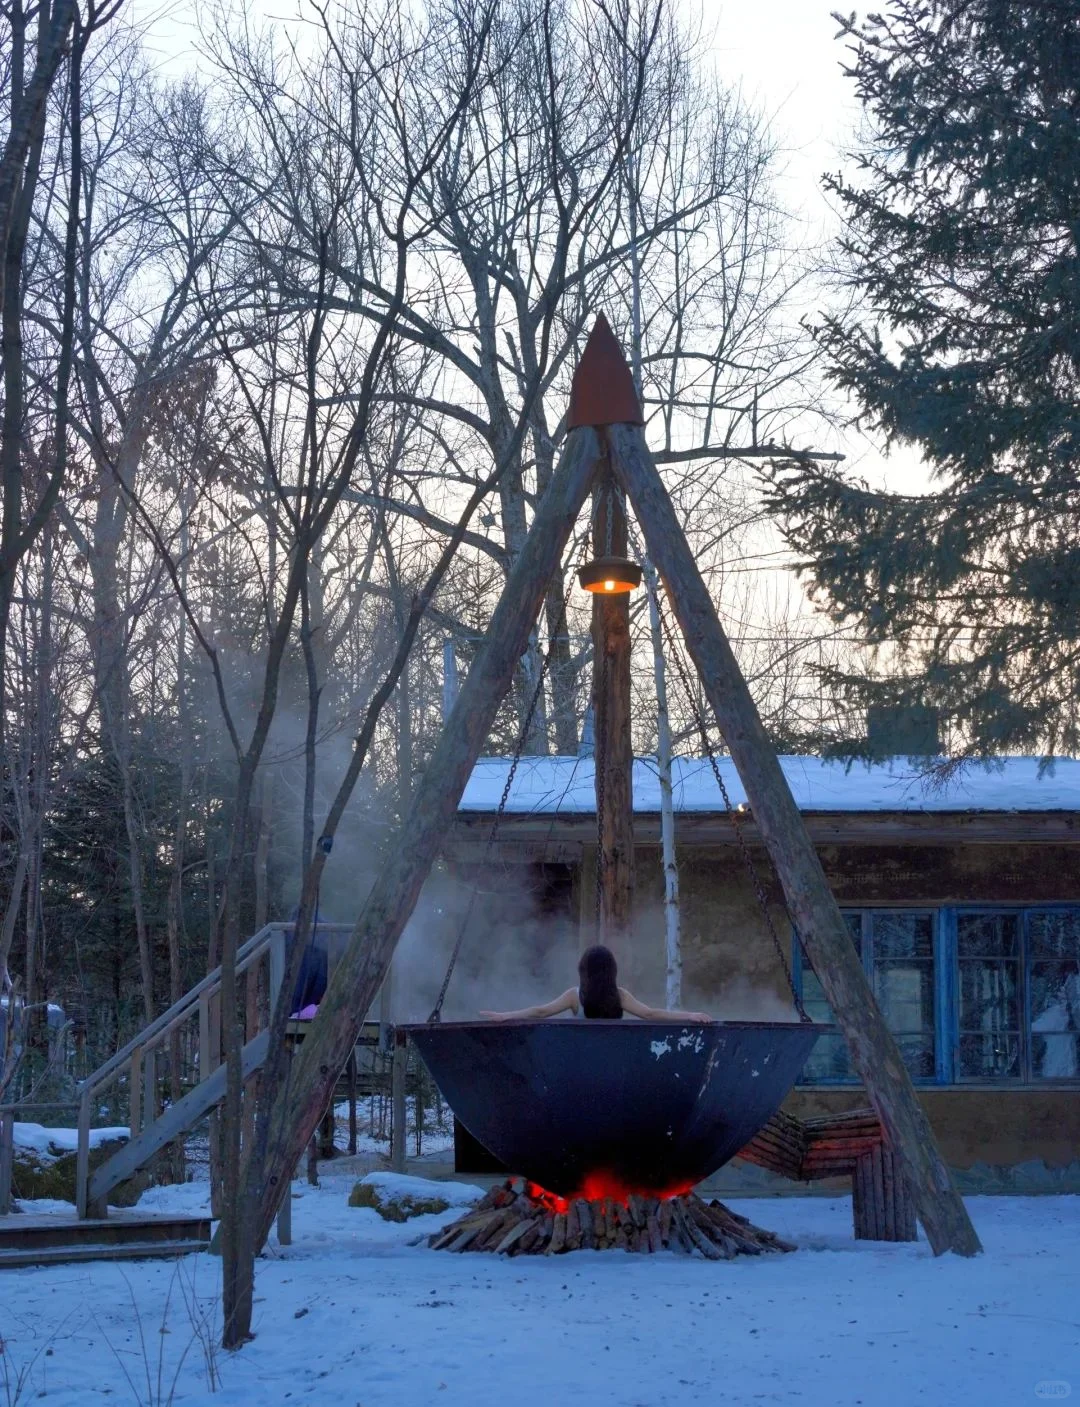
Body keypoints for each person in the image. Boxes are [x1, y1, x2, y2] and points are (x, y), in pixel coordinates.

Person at [479, 944, 711, 1023]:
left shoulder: (574, 996)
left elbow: (541, 1012)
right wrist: (689, 1015)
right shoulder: (620, 995)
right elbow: (650, 1014)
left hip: (580, 1061)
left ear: (584, 970)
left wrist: (506, 1015)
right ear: (612, 971)